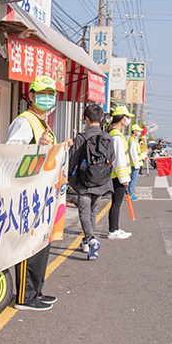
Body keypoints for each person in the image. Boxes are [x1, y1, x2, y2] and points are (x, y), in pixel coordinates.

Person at [7, 75, 71, 310]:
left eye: (51, 94)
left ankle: (36, 291)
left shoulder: (44, 124)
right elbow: (12, 154)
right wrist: (37, 148)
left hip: (44, 197)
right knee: (29, 246)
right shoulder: (25, 121)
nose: (46, 98)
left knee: (42, 245)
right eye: (41, 93)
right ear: (31, 96)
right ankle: (25, 296)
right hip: (28, 196)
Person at [69, 103, 113, 261]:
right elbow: (112, 158)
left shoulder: (81, 137)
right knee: (93, 212)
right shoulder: (108, 137)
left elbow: (72, 160)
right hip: (101, 182)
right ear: (101, 119)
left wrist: (68, 177)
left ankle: (91, 240)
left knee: (84, 212)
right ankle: (87, 242)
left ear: (86, 119)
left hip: (84, 182)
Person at [106, 104, 134, 239]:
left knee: (116, 203)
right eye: (127, 117)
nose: (128, 120)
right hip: (118, 176)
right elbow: (119, 160)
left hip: (117, 175)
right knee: (116, 203)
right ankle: (112, 231)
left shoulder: (115, 133)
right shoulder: (116, 135)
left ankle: (115, 228)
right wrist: (124, 179)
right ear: (122, 119)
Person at [127, 123, 144, 200]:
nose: (139, 132)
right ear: (134, 131)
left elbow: (138, 153)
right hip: (134, 164)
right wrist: (136, 165)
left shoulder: (134, 140)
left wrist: (144, 157)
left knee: (133, 178)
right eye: (137, 130)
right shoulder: (133, 141)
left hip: (135, 163)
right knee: (134, 179)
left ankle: (129, 192)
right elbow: (133, 154)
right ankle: (130, 193)